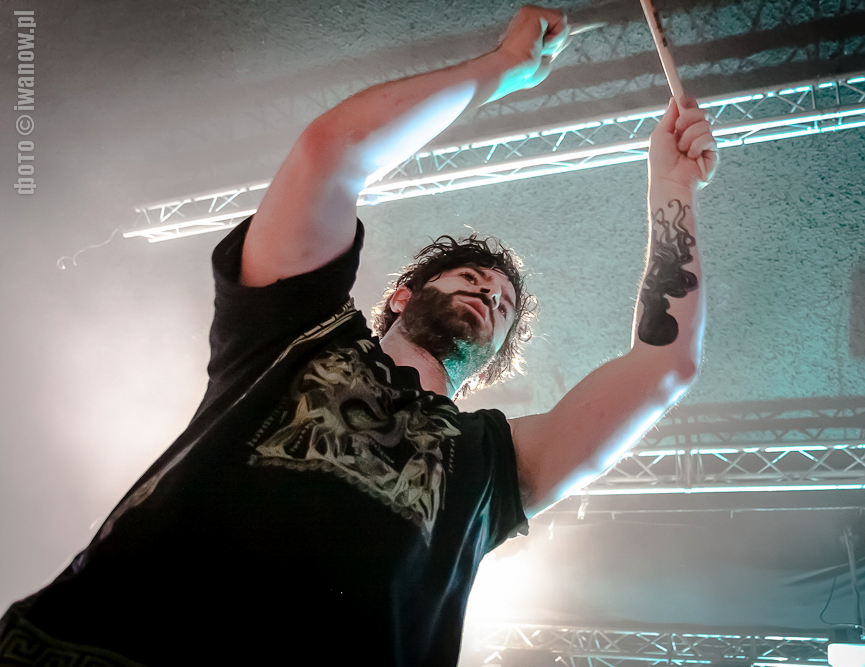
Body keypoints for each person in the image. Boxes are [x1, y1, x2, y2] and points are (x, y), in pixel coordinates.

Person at [0, 5, 717, 666]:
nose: (489, 294)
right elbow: (330, 154)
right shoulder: (297, 329)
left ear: (496, 357)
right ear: (401, 295)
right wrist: (503, 67)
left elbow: (665, 367)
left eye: (502, 304)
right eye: (471, 278)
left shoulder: (489, 466)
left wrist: (672, 187)